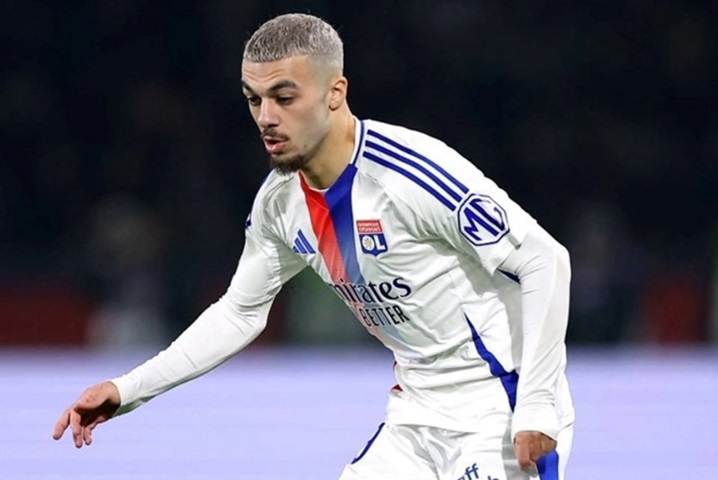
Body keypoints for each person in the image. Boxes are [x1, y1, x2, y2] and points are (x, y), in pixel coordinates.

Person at [53, 13, 575, 480]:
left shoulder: (411, 175)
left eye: (284, 98)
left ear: (335, 92)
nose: (265, 117)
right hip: (416, 417)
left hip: (502, 409)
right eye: (254, 99)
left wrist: (536, 405)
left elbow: (545, 260)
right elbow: (239, 313)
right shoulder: (280, 203)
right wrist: (128, 389)